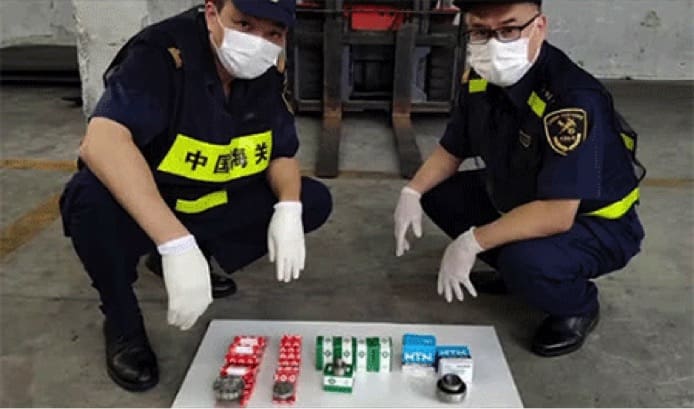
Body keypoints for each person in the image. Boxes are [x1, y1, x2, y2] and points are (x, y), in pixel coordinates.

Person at [59, 0, 332, 391]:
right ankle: (122, 321)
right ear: (211, 13)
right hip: (153, 202)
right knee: (88, 201)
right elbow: (101, 142)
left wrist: (288, 208)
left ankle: (194, 253)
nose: (258, 42)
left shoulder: (266, 68)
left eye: (273, 32)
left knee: (312, 200)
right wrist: (174, 242)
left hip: (214, 195)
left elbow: (280, 152)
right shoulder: (161, 54)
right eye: (244, 24)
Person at [394, 0, 645, 357]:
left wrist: (472, 242)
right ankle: (514, 270)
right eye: (480, 31)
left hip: (595, 222)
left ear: (539, 27)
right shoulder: (480, 78)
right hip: (525, 192)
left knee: (525, 261)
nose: (494, 44)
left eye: (509, 30)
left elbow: (557, 215)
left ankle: (577, 305)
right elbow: (452, 149)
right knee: (438, 194)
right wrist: (412, 192)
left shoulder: (572, 100)